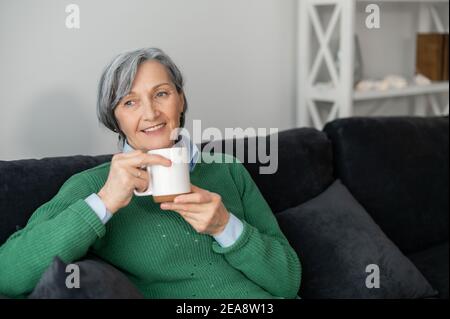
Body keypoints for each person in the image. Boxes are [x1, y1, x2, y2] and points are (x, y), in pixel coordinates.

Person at [0, 48, 301, 299]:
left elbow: (288, 283)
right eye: (130, 102)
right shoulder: (93, 185)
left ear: (181, 100)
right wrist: (104, 203)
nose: (151, 113)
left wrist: (225, 226)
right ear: (114, 119)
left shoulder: (228, 170)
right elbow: (7, 274)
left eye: (161, 94)